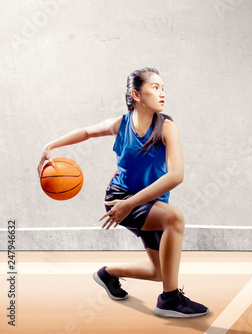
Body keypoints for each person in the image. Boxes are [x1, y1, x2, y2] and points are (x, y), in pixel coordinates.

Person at [37, 67, 208, 318]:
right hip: (119, 198)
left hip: (144, 202)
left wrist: (132, 205)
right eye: (155, 87)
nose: (162, 94)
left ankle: (108, 273)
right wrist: (50, 145)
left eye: (163, 89)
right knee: (175, 218)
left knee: (160, 272)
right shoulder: (122, 124)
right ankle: (169, 300)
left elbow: (176, 176)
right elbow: (86, 131)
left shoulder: (167, 128)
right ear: (136, 95)